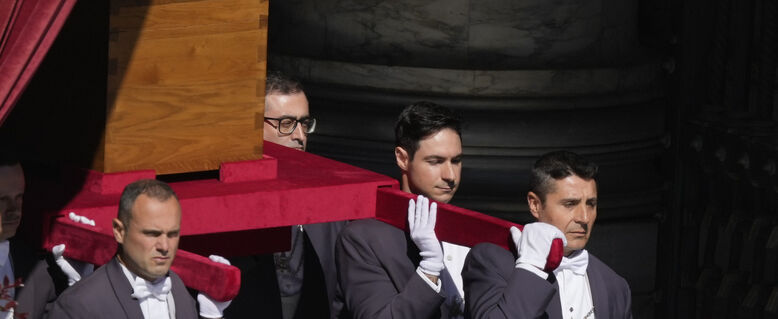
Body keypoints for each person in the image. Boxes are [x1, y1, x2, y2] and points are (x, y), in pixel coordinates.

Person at [335, 101, 468, 318]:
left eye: (456, 161)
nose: (450, 175)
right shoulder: (363, 238)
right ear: (402, 158)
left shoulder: (472, 233)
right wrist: (430, 270)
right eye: (435, 161)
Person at [462, 150, 632, 318]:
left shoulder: (615, 286)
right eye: (570, 204)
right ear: (535, 204)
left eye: (591, 204)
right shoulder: (493, 262)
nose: (584, 217)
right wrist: (531, 268)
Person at [228, 70, 342, 319]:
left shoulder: (328, 200)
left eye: (304, 123)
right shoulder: (227, 199)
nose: (300, 136)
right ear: (254, 127)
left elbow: (337, 290)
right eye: (287, 124)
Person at [49, 179, 231, 319]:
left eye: (172, 234)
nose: (164, 247)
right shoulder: (80, 306)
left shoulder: (182, 293)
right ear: (120, 231)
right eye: (152, 234)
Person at [0, 158, 63, 319]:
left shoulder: (36, 266)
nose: (14, 210)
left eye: (19, 197)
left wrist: (78, 288)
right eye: (2, 200)